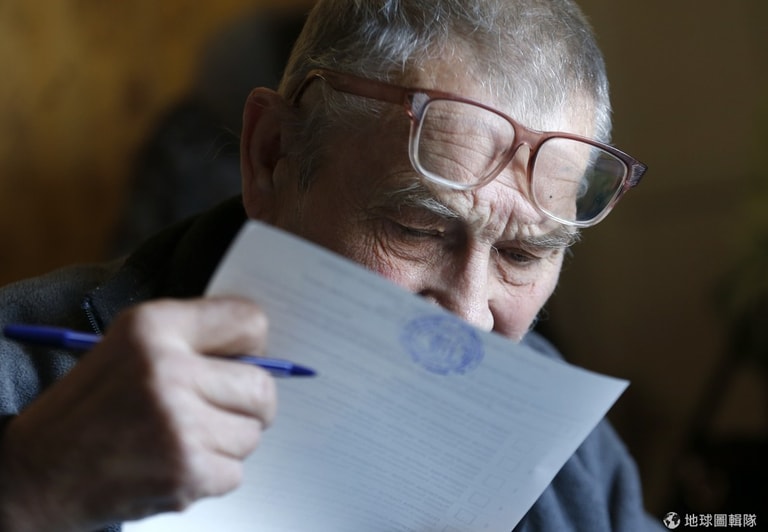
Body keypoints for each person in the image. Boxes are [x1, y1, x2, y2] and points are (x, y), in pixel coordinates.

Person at [0, 0, 662, 530]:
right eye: (417, 228)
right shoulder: (23, 379)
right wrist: (29, 490)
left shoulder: (562, 440)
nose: (467, 317)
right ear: (272, 156)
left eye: (522, 254)